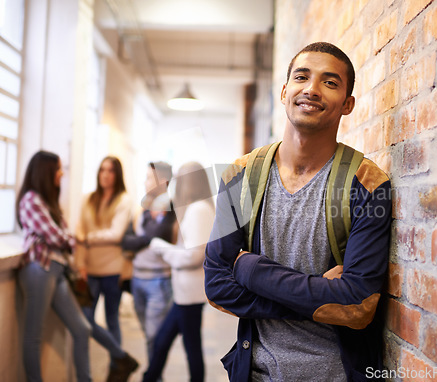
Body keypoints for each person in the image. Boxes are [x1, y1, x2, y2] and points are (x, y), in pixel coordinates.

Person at [204, 42, 392, 381]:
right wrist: (318, 292)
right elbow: (217, 287)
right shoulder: (240, 176)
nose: (311, 89)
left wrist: (250, 269)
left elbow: (357, 307)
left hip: (336, 373)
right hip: (254, 372)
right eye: (302, 77)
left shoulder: (367, 184)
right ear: (284, 90)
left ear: (348, 104)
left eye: (330, 82)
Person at [16, 150, 92, 381]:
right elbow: (58, 237)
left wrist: (67, 238)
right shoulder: (30, 200)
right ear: (46, 171)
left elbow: (63, 235)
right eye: (58, 169)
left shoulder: (47, 202)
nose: (62, 173)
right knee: (33, 336)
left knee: (82, 329)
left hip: (56, 269)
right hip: (40, 268)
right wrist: (69, 239)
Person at [143, 162, 215, 382]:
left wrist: (160, 247)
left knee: (188, 346)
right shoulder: (195, 208)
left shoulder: (199, 209)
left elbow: (194, 256)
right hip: (185, 292)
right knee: (165, 342)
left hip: (190, 293)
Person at [75, 156, 138, 381]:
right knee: (85, 321)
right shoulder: (89, 199)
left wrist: (89, 238)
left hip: (113, 270)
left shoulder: (124, 200)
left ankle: (116, 369)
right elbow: (79, 232)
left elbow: (116, 234)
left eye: (110, 171)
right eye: (102, 170)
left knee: (112, 318)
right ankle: (121, 357)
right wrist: (80, 264)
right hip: (89, 271)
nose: (105, 174)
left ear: (117, 174)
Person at [121, 161, 176, 362]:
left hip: (158, 281)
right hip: (137, 279)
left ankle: (154, 375)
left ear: (162, 181)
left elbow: (158, 233)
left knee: (154, 336)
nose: (144, 183)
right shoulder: (143, 209)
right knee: (148, 335)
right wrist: (145, 240)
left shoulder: (170, 207)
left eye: (148, 178)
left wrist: (142, 239)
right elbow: (125, 240)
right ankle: (155, 373)